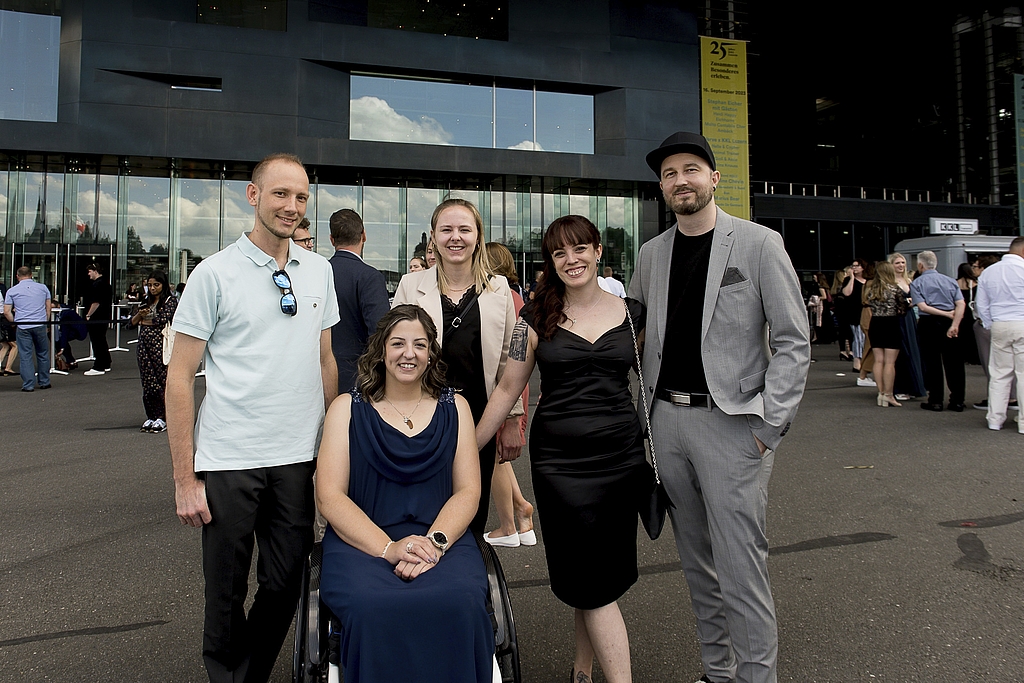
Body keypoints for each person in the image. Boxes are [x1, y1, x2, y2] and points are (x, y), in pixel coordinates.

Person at [628, 131, 811, 683]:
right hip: (666, 425)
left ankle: (758, 678)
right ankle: (718, 671)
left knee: (740, 567)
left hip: (732, 427)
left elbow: (793, 341)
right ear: (662, 187)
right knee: (697, 566)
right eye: (669, 174)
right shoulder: (651, 254)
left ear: (713, 178)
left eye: (690, 169)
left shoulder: (758, 244)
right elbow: (631, 336)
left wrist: (768, 426)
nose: (680, 181)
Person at [166, 152, 340, 683]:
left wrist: (333, 452)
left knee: (287, 582)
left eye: (302, 197)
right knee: (224, 591)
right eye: (281, 194)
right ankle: (230, 675)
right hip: (229, 459)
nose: (292, 206)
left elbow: (326, 359)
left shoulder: (319, 270)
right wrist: (184, 476)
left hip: (296, 458)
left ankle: (247, 674)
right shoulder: (213, 274)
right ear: (253, 195)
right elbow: (179, 378)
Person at [477, 216, 647, 683]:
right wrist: (469, 448)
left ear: (597, 251)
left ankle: (581, 670)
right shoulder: (534, 316)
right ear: (551, 262)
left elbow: (654, 381)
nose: (571, 260)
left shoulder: (634, 313)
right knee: (590, 578)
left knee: (597, 577)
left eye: (579, 249)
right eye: (559, 253)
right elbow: (507, 388)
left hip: (621, 460)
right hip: (561, 466)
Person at [316, 305, 494, 682]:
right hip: (361, 542)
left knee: (461, 602)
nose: (408, 353)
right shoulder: (346, 409)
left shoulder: (457, 408)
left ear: (431, 354)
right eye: (398, 343)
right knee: (370, 607)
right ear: (381, 350)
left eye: (419, 344)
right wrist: (388, 547)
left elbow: (468, 492)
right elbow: (329, 496)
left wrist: (434, 544)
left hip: (441, 538)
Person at [392, 197, 523, 534]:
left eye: (464, 229)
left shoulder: (499, 289)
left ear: (478, 236)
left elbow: (511, 363)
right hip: (420, 416)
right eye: (446, 229)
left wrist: (512, 419)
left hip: (479, 418)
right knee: (418, 509)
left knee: (469, 513)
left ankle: (466, 579)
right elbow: (393, 355)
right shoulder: (410, 286)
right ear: (433, 237)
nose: (455, 237)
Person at [481, 242, 535, 548]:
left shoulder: (502, 297)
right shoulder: (515, 297)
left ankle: (507, 526)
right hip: (516, 385)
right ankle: (520, 510)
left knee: (495, 456)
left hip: (506, 387)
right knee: (500, 454)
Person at [327, 208, 391, 393]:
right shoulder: (369, 277)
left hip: (317, 376)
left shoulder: (318, 273)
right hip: (359, 378)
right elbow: (380, 333)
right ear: (363, 235)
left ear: (332, 239)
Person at [975, 237, 1024, 431]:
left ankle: (995, 419)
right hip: (1022, 322)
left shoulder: (989, 273)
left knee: (999, 374)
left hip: (999, 325)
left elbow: (981, 304)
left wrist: (989, 323)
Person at [911, 249, 966, 412]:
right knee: (954, 363)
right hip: (950, 322)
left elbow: (922, 306)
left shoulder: (917, 283)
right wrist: (954, 323)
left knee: (931, 362)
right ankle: (957, 400)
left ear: (920, 265)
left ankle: (935, 400)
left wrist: (944, 313)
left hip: (928, 322)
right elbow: (961, 303)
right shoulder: (950, 281)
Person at [129, 270, 178, 433]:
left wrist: (144, 320)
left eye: (156, 285)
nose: (152, 288)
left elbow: (162, 319)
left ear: (163, 285)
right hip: (144, 345)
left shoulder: (170, 301)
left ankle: (163, 416)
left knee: (161, 380)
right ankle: (151, 415)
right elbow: (131, 322)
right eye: (149, 285)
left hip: (160, 345)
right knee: (148, 381)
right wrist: (140, 317)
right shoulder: (146, 301)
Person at [971, 254, 1016, 410]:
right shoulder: (1014, 273)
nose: (973, 269)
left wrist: (987, 324)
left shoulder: (987, 278)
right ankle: (1014, 399)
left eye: (976, 266)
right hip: (1015, 323)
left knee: (995, 367)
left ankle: (997, 408)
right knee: (1016, 367)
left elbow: (981, 305)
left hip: (992, 325)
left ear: (984, 267)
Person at [3, 266, 53, 392]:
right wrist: (46, 321)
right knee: (42, 353)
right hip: (39, 324)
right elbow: (48, 308)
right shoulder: (43, 288)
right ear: (31, 275)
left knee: (25, 355)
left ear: (17, 276)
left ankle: (28, 384)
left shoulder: (12, 291)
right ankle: (44, 381)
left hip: (23, 325)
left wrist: (14, 322)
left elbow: (6, 311)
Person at [863, 261, 904, 407]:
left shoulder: (871, 290)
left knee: (878, 360)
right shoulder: (894, 289)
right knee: (890, 362)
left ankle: (880, 393)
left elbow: (866, 304)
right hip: (891, 324)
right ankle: (889, 394)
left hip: (876, 323)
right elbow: (902, 309)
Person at [888, 252, 925, 400]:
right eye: (897, 263)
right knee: (901, 352)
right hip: (897, 319)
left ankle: (913, 387)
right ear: (891, 265)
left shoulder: (908, 280)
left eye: (903, 263)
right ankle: (899, 387)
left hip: (909, 318)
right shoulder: (890, 282)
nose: (901, 266)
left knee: (913, 350)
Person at [82, 262, 113, 376]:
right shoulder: (106, 284)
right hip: (105, 316)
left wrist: (88, 315)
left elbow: (95, 302)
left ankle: (99, 365)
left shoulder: (97, 285)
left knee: (97, 340)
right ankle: (106, 362)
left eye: (90, 271)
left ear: (95, 271)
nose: (89, 274)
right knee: (101, 340)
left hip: (97, 317)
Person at [842, 258, 870, 372]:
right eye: (852, 266)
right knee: (858, 337)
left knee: (865, 338)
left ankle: (865, 361)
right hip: (854, 312)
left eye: (857, 266)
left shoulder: (868, 281)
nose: (854, 268)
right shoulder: (848, 280)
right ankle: (857, 362)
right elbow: (846, 293)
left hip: (866, 311)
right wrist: (852, 278)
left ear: (862, 267)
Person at [955, 262, 981, 365]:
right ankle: (973, 357)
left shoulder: (955, 283)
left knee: (961, 335)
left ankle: (962, 356)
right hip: (971, 312)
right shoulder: (975, 283)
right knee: (972, 336)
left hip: (959, 312)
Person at [832, 267, 854, 361]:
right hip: (846, 311)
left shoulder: (835, 287)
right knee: (849, 332)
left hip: (839, 311)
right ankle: (850, 351)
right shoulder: (845, 286)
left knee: (842, 331)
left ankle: (843, 351)